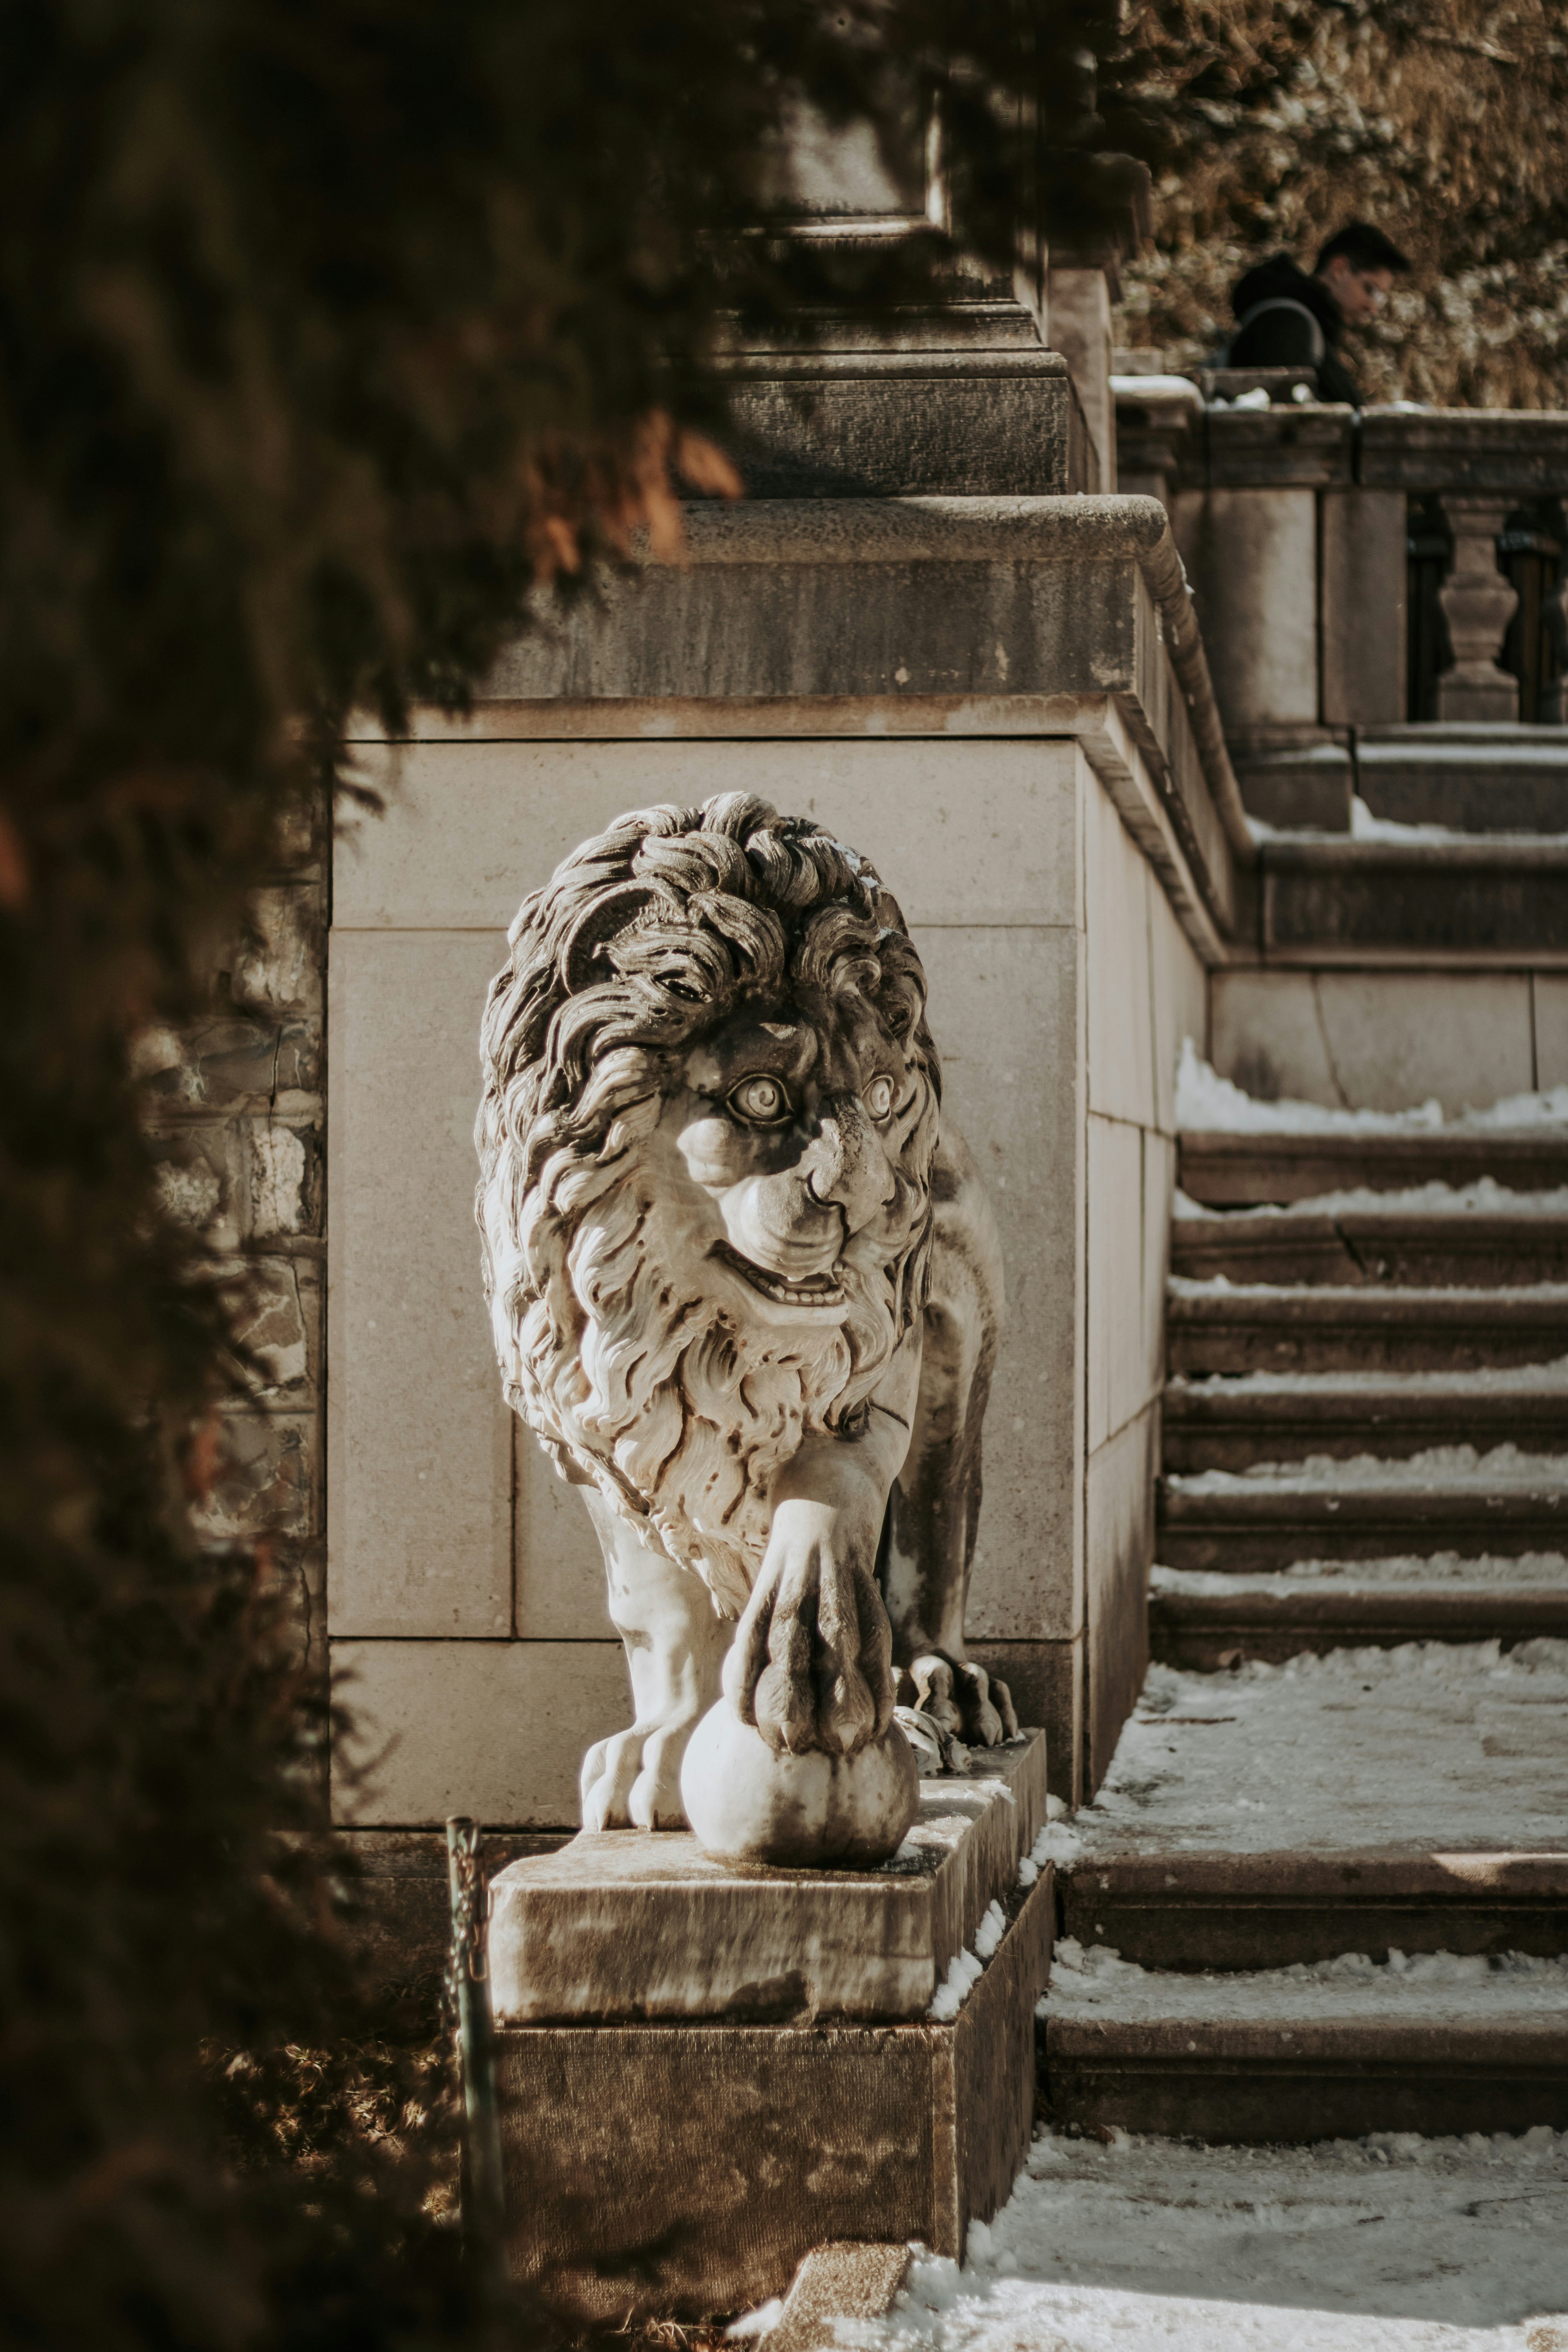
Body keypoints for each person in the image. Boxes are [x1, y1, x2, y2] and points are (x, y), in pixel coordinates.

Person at [1228, 222, 1411, 404]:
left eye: (1381, 298)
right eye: (1371, 290)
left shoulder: (1312, 329)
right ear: (1339, 269)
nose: (1373, 308)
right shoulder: (1288, 326)